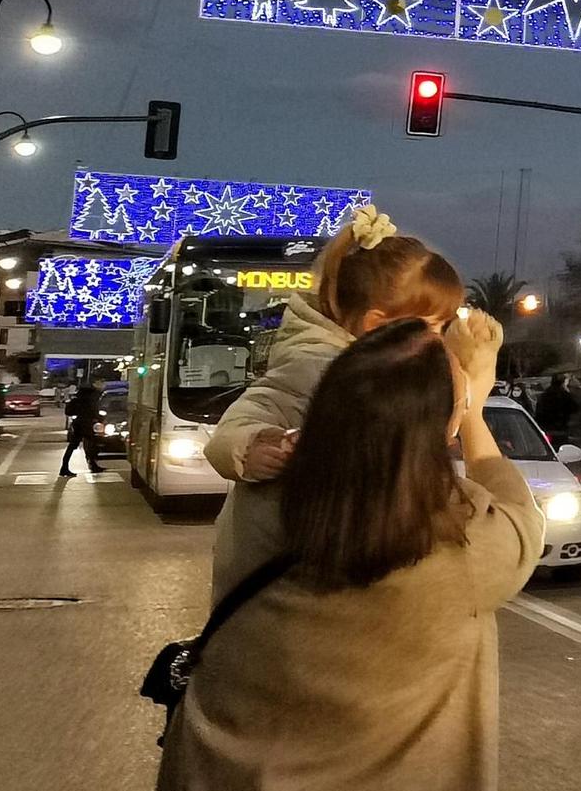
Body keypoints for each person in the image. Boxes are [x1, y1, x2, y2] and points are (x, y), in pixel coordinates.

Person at [155, 312, 540, 790]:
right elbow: (521, 515)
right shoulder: (464, 544)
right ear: (442, 427)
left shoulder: (262, 498)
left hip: (224, 774)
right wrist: (476, 412)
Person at [203, 205, 466, 600]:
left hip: (279, 574)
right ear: (376, 324)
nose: (440, 337)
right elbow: (234, 427)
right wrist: (250, 447)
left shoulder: (338, 359)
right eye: (432, 326)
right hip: (283, 580)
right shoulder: (321, 366)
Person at [59, 380, 102, 477]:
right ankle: (92, 465)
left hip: (78, 424)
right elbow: (94, 413)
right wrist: (99, 418)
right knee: (91, 444)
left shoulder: (76, 401)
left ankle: (64, 467)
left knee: (74, 446)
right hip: (85, 425)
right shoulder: (88, 402)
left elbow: (68, 412)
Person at [534, 375, 575, 443]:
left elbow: (538, 410)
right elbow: (574, 408)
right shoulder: (564, 394)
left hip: (546, 427)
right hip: (561, 428)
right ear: (562, 382)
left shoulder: (545, 394)